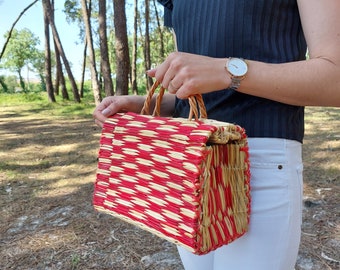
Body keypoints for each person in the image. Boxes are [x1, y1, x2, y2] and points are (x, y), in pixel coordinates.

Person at [93, 1, 340, 269]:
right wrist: (148, 105)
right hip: (191, 163)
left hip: (258, 163)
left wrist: (228, 71)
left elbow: (334, 76)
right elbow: (196, 89)